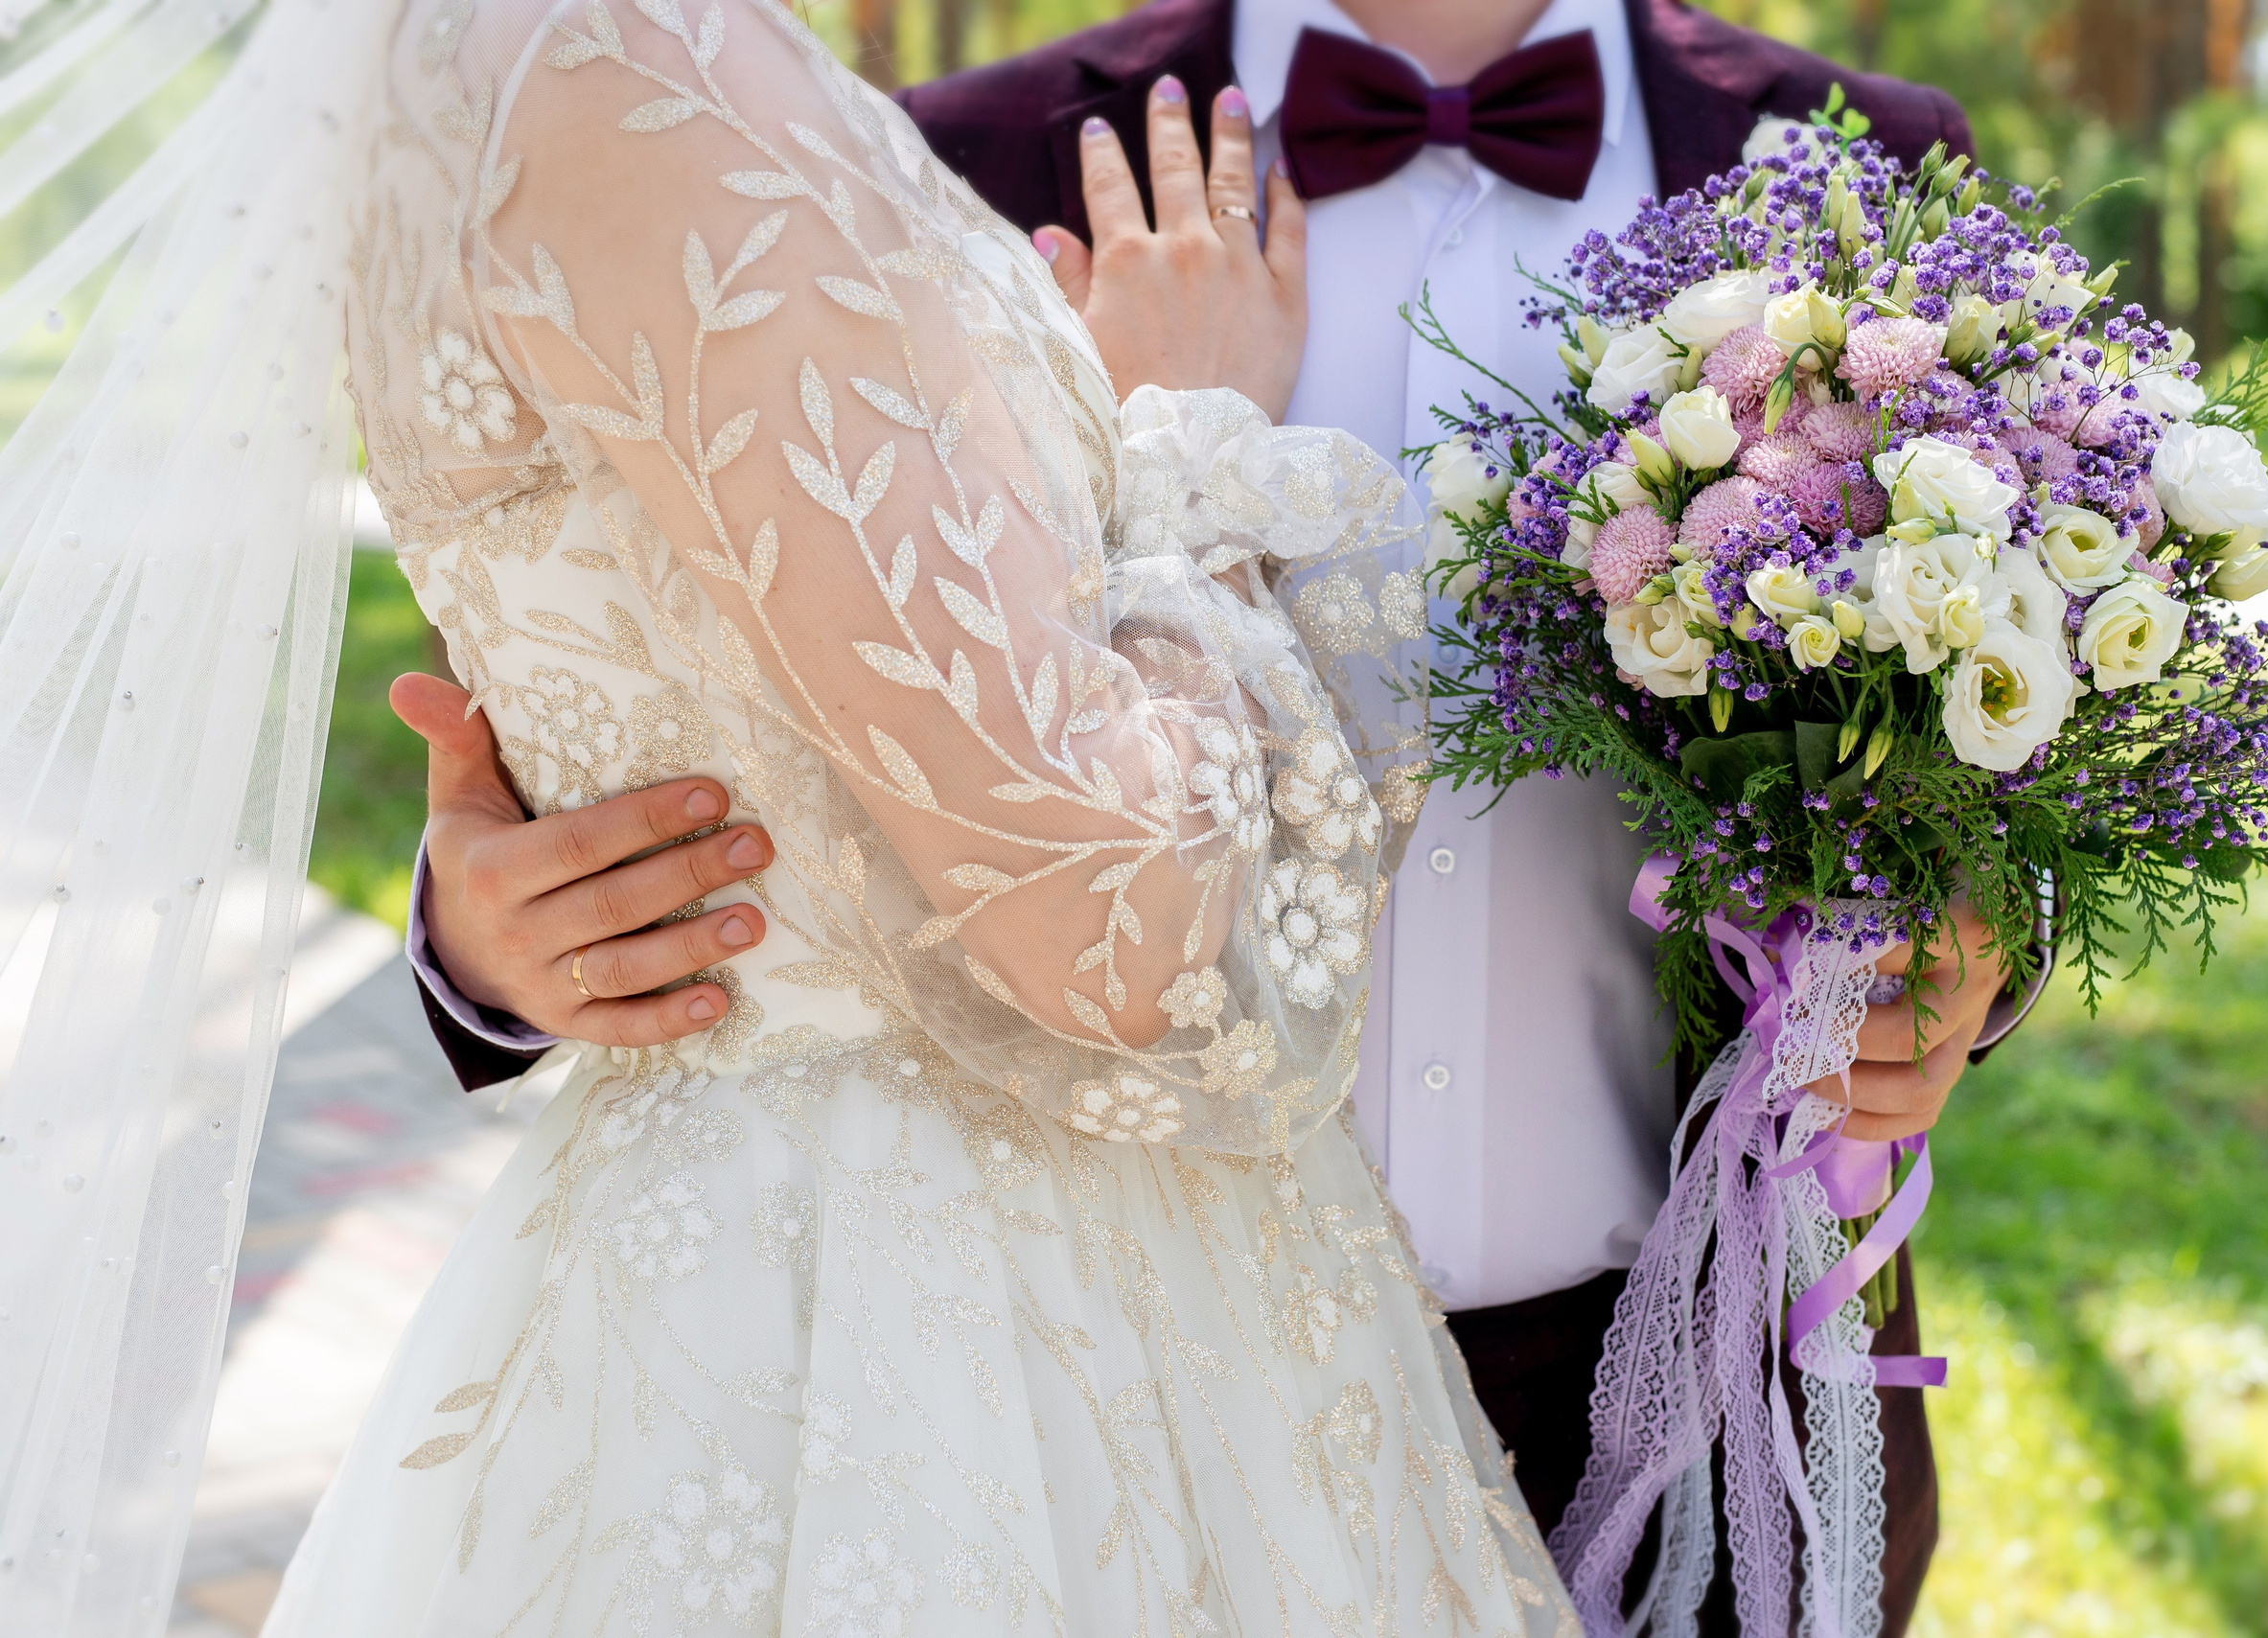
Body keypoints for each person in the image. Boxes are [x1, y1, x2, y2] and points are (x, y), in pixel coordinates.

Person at [401, 0, 2047, 1630]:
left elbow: (2009, 728)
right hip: (1144, 1433)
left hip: (1713, 1410)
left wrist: (1972, 949)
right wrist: (482, 924)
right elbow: (652, 671)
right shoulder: (958, 155)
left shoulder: (1861, 162)